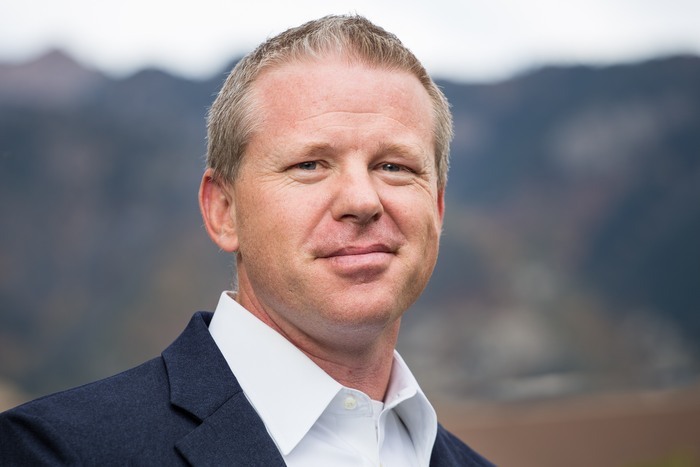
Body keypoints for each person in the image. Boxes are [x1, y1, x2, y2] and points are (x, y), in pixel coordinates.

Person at [0, 15, 492, 466]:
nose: (362, 200)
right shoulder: (52, 452)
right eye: (310, 164)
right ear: (223, 211)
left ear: (438, 208)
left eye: (394, 167)